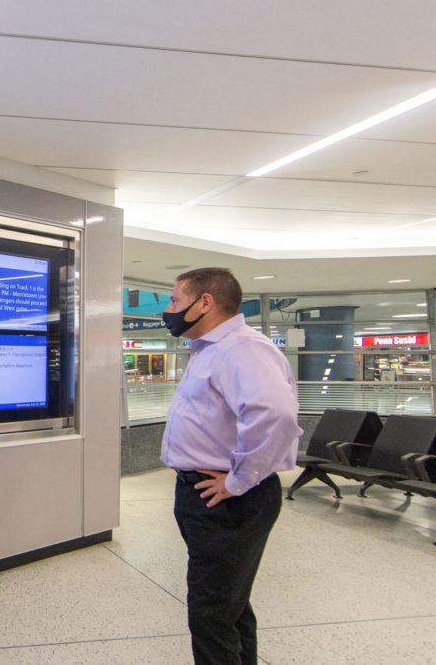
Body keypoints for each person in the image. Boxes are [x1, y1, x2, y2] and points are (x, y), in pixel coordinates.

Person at [160, 267, 301, 664]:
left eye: (174, 300)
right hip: (203, 494)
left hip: (229, 502)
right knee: (229, 604)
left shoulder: (241, 349)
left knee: (211, 614)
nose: (169, 309)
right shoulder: (210, 349)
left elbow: (274, 416)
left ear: (204, 302)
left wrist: (238, 480)